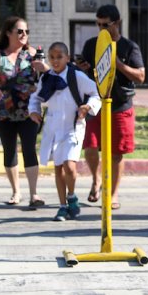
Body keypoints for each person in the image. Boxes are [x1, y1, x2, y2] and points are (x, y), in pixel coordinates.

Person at [76, 4, 146, 210]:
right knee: (90, 146)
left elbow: (141, 76)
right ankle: (96, 180)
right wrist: (83, 68)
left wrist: (117, 63)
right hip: (95, 104)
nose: (101, 29)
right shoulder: (92, 45)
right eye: (98, 24)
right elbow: (85, 74)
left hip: (120, 106)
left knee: (116, 153)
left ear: (117, 23)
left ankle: (113, 194)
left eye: (105, 25)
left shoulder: (129, 47)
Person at [28, 42, 101, 222]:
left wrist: (87, 107)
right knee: (58, 167)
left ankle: (72, 195)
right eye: (52, 57)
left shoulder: (77, 77)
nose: (55, 61)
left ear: (67, 58)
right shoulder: (46, 78)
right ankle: (62, 206)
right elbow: (36, 97)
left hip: (73, 127)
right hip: (53, 128)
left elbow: (95, 93)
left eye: (59, 57)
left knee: (69, 165)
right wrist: (34, 111)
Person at [0, 16, 49, 209]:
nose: (24, 35)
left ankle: (34, 194)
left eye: (26, 31)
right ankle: (16, 191)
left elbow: (47, 77)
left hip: (29, 109)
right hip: (3, 108)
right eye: (19, 31)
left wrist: (43, 70)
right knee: (9, 149)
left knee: (29, 148)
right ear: (8, 33)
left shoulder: (33, 53)